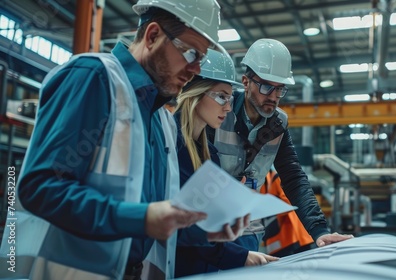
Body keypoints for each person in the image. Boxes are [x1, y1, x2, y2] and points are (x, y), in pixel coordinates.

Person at [0, 1, 248, 279]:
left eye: (200, 58)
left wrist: (205, 230)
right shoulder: (94, 77)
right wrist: (140, 219)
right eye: (190, 53)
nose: (194, 69)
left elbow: (154, 212)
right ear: (153, 36)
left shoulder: (161, 120)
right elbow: (39, 188)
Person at [209, 38, 354, 252]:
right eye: (267, 86)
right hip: (208, 227)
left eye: (280, 89)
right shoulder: (219, 112)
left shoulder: (278, 124)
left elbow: (294, 178)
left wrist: (320, 231)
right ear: (246, 82)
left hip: (247, 231)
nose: (274, 97)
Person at [173, 49, 278, 278]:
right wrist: (240, 256)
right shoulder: (173, 144)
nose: (228, 107)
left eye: (230, 98)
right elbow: (181, 227)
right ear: (195, 92)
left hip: (203, 267)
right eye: (221, 97)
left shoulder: (209, 152)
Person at [260, 169, 315, 257]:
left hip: (291, 237)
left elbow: (289, 202)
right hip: (279, 239)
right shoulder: (265, 182)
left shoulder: (276, 179)